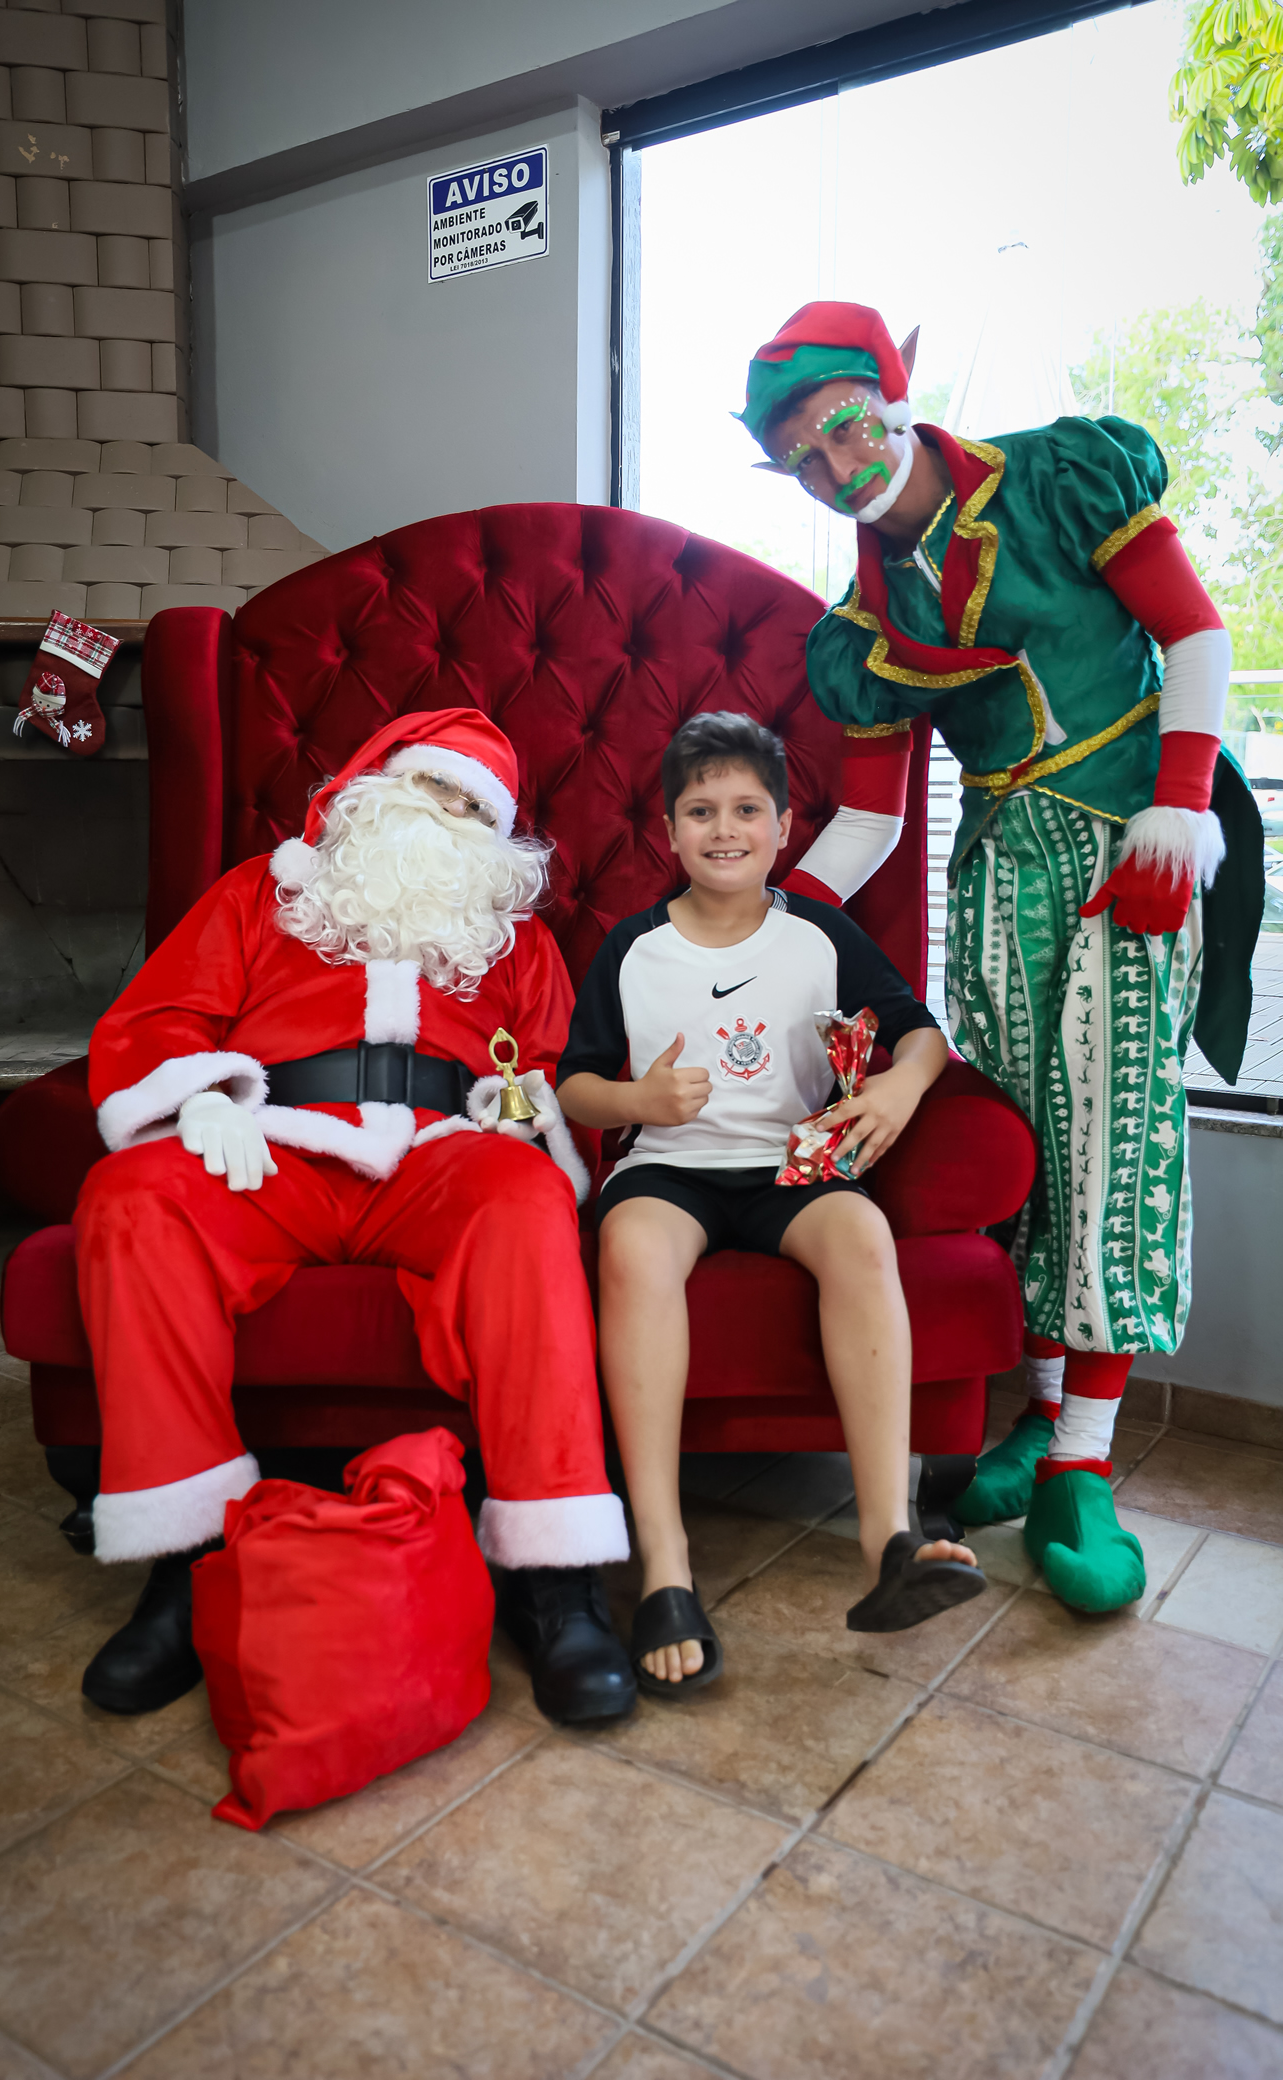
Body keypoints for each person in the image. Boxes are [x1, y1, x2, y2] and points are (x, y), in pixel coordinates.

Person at [737, 301, 1262, 1612]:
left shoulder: (1054, 480)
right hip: (995, 880)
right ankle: (1039, 1414)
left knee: (1115, 1144)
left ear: (895, 395)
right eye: (799, 456)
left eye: (843, 426)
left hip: (1130, 852)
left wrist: (1179, 805)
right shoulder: (867, 620)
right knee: (1027, 1149)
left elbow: (1197, 634)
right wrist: (765, 916)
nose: (833, 464)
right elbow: (872, 820)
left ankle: (1083, 1463)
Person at [75, 707, 637, 1727]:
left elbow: (553, 1066)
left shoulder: (516, 939)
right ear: (375, 785)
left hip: (440, 1152)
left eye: (475, 808)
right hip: (272, 1146)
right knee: (130, 1198)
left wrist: (518, 1120)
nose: (450, 814)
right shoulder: (261, 892)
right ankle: (186, 1561)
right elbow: (162, 1018)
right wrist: (200, 1096)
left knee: (528, 1199)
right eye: (434, 787)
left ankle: (552, 1575)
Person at [557, 711, 985, 1693]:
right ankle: (664, 1563)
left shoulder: (821, 935)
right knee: (632, 1249)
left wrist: (901, 1085)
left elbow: (919, 1032)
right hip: (670, 1168)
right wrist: (636, 1101)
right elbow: (573, 1082)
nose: (725, 828)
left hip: (794, 1165)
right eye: (701, 810)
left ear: (784, 827)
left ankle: (888, 1538)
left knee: (863, 1233)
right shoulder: (632, 947)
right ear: (670, 831)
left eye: (746, 809)